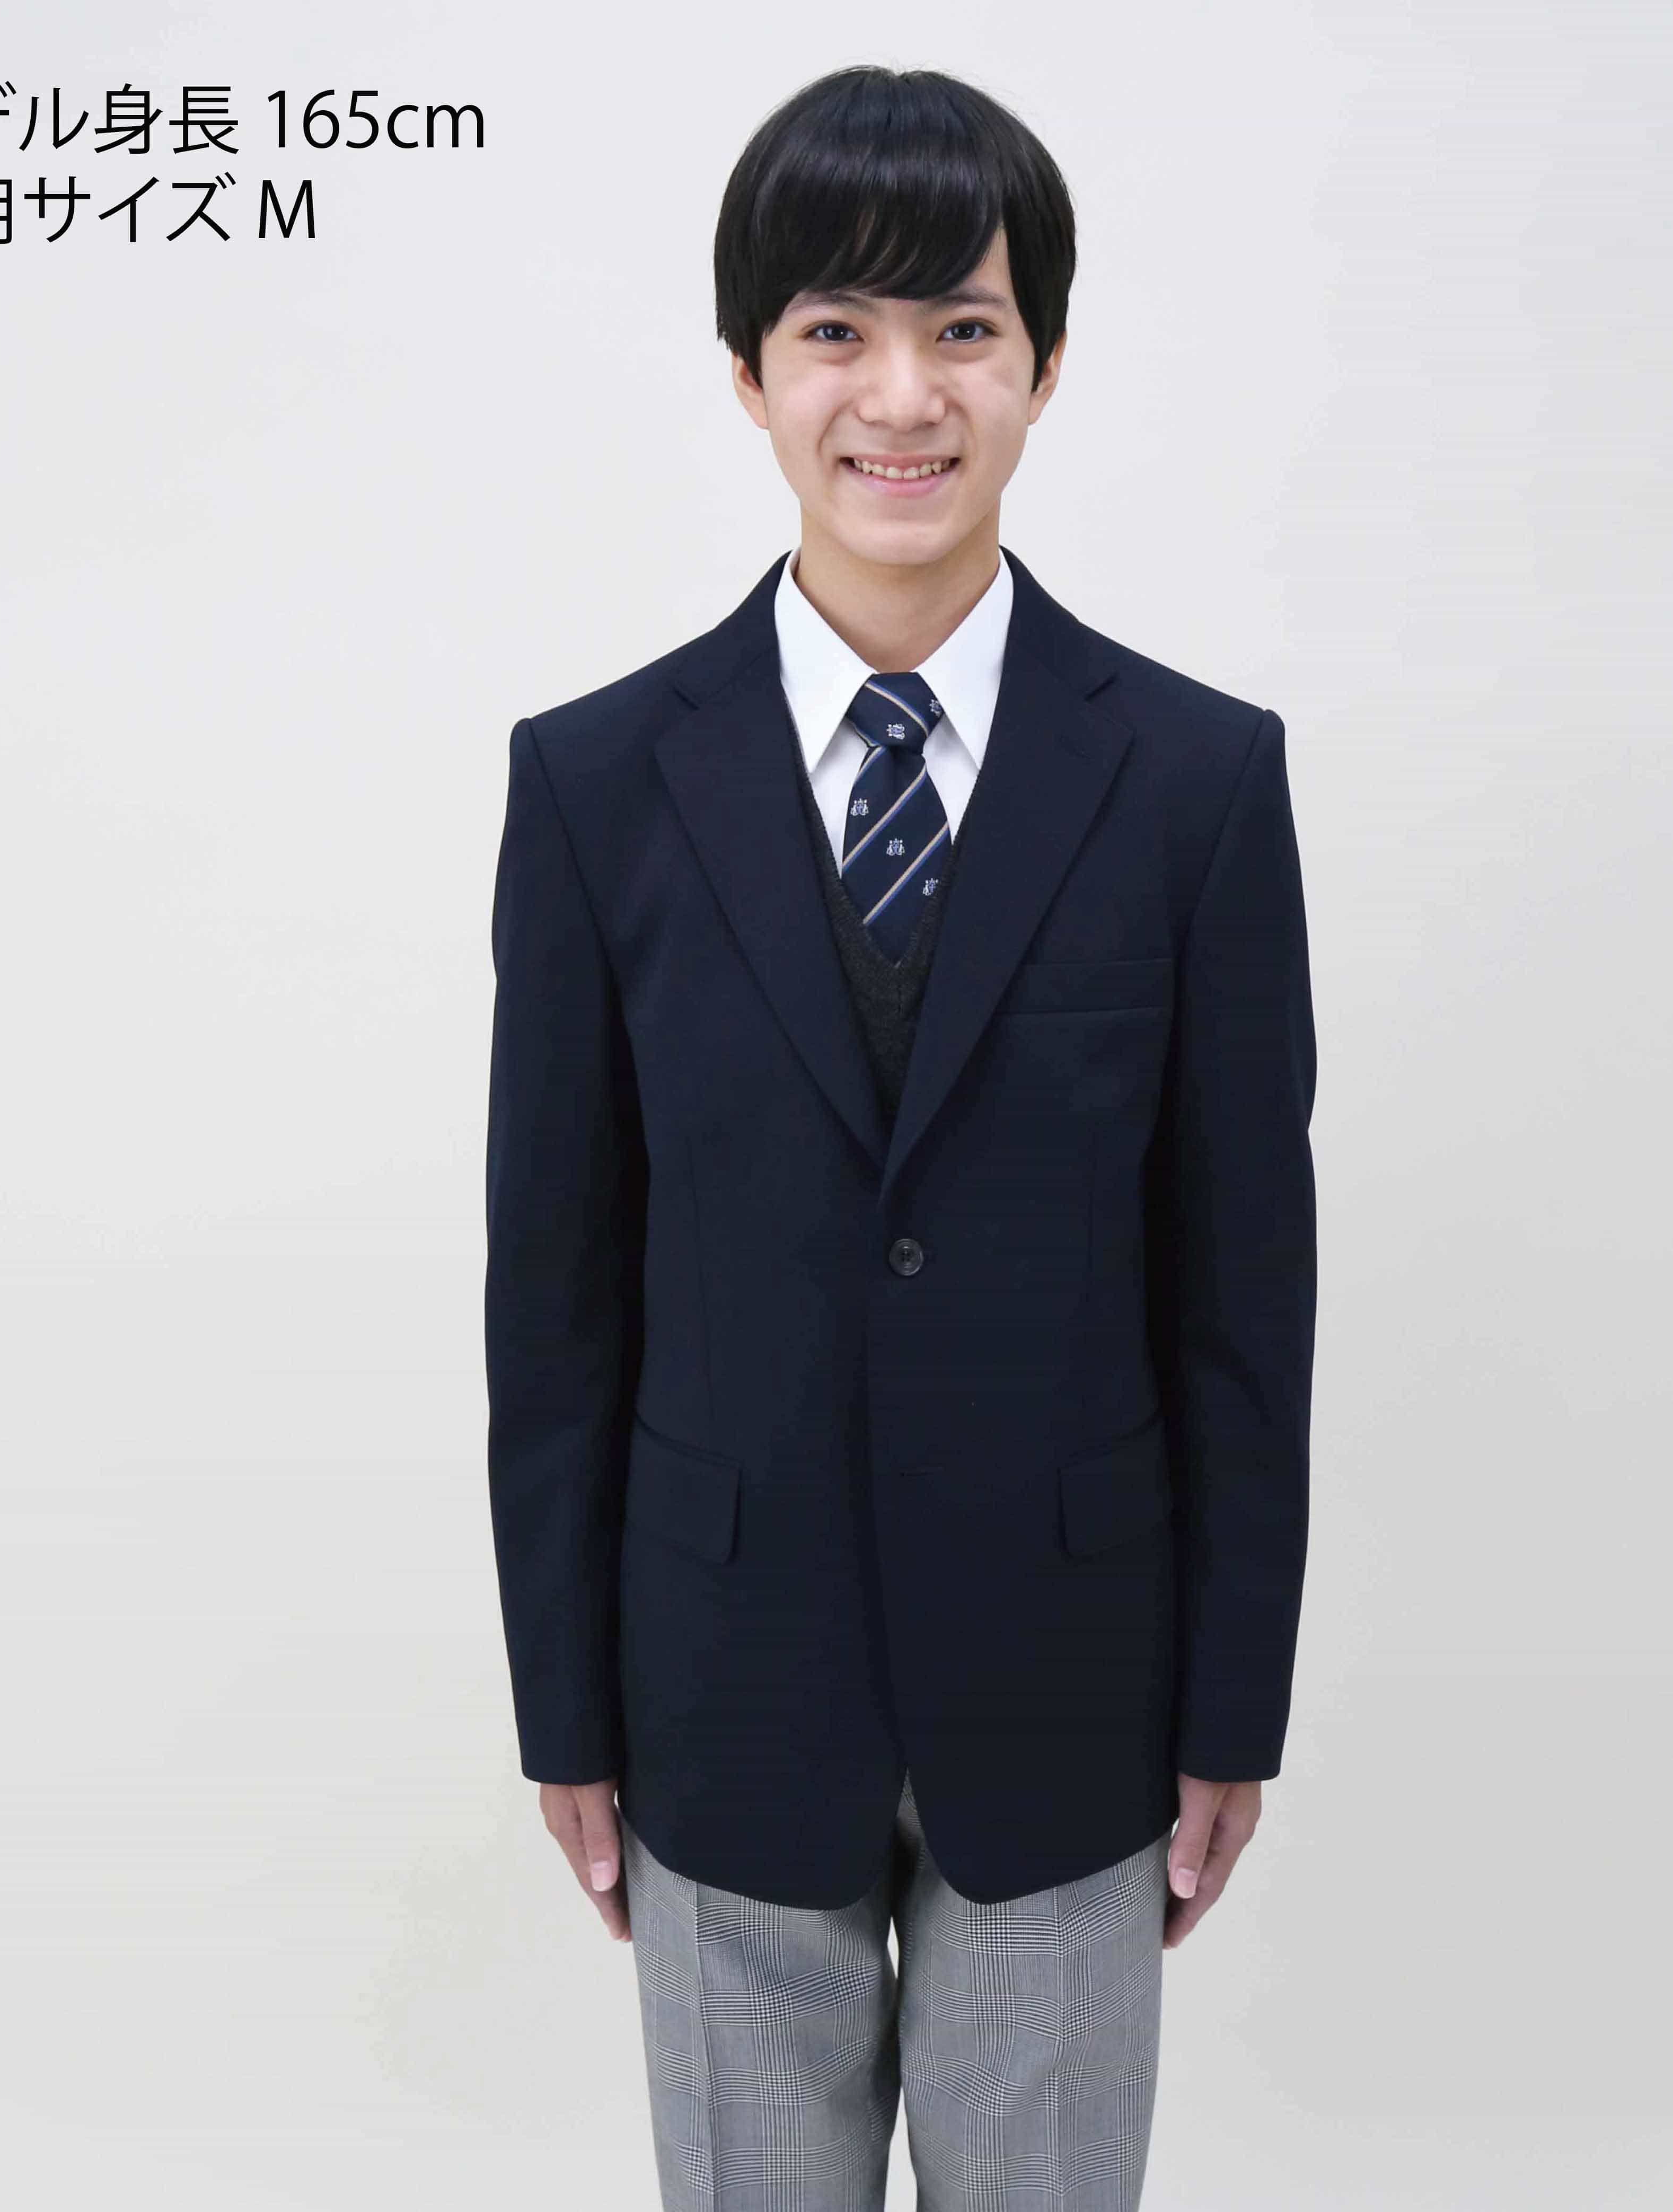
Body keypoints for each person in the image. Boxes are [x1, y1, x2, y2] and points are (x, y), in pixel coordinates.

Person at [483, 63, 1316, 2211]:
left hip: (1076, 1686)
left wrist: (1234, 1703)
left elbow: (1243, 1293)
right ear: (748, 374)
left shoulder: (1198, 785)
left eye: (964, 326)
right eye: (834, 330)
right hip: (716, 1680)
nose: (903, 395)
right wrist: (564, 1703)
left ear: (1047, 363)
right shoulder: (596, 787)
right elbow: (555, 1298)